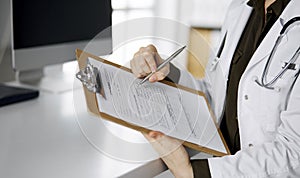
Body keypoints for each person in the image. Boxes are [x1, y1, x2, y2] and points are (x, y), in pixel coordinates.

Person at [130, 0, 300, 177]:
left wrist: (193, 172)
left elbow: (294, 151)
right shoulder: (240, 9)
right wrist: (167, 73)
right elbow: (217, 96)